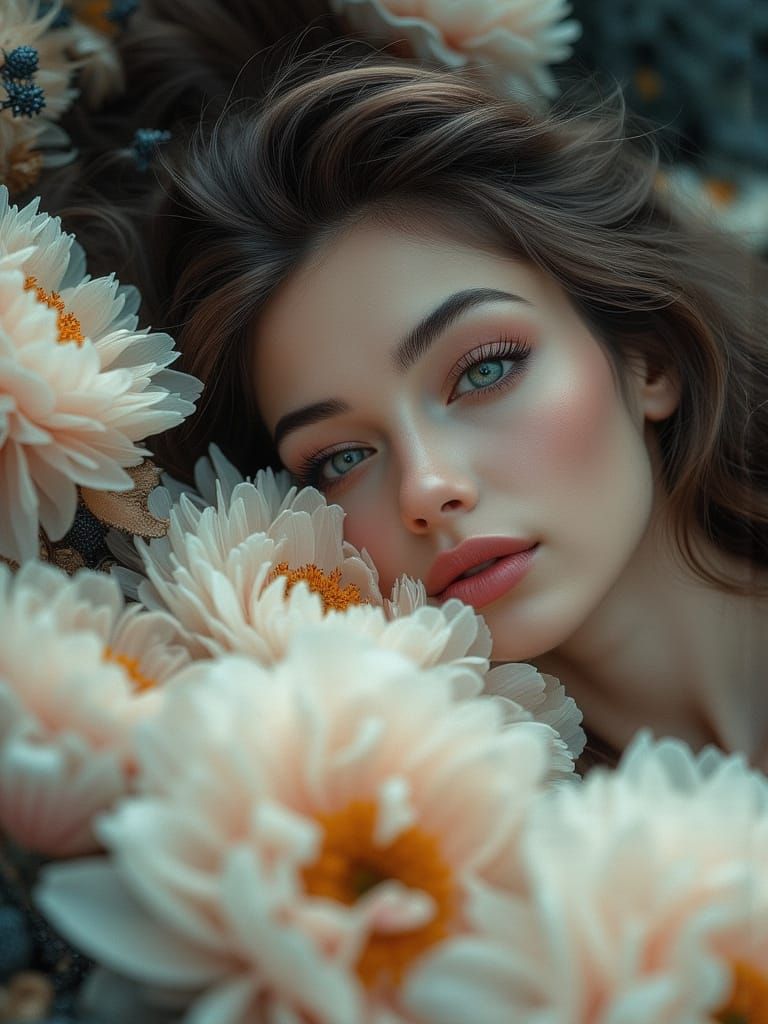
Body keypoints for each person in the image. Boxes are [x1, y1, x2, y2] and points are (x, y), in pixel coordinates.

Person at [50, 38, 768, 768]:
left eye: (486, 372)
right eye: (342, 458)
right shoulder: (430, 821)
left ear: (648, 355)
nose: (427, 487)